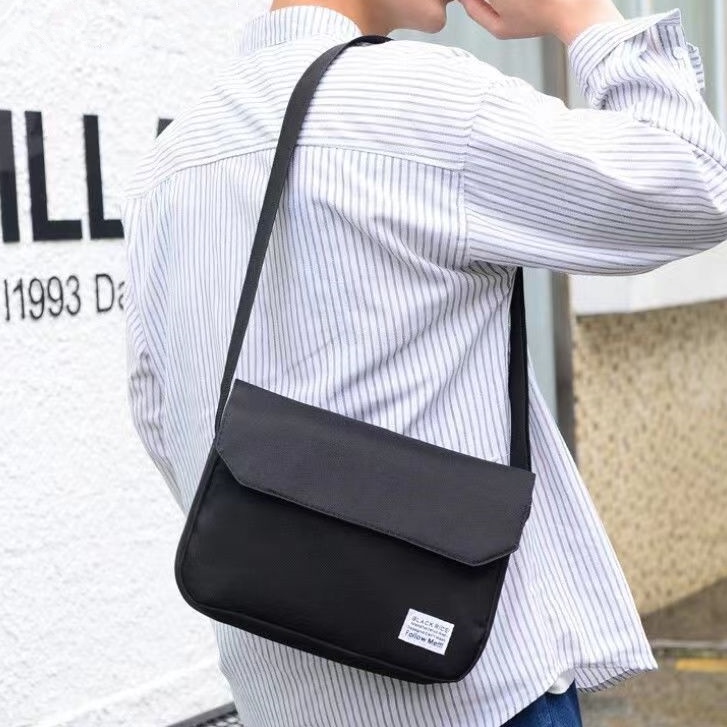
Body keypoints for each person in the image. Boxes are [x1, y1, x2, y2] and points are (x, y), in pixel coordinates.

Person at [121, 0, 727, 725]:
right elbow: (696, 179)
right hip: (469, 688)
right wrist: (579, 13)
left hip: (278, 685)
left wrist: (292, 543)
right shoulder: (428, 102)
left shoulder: (172, 158)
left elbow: (157, 408)